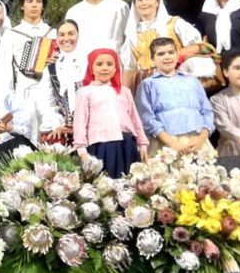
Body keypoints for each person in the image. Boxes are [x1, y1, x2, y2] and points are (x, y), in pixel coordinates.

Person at [120, 0, 215, 89]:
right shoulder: (132, 34)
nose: (144, 2)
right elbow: (130, 68)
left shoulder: (174, 24)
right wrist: (125, 95)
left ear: (157, 2)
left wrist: (173, 57)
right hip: (148, 87)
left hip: (178, 83)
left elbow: (201, 47)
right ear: (135, 4)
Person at [73, 49, 148, 177]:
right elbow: (80, 122)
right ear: (91, 68)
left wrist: (142, 144)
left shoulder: (124, 91)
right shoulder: (85, 92)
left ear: (115, 69)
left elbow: (135, 118)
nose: (105, 68)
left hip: (127, 144)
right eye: (99, 64)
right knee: (107, 184)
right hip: (101, 145)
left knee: (129, 184)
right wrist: (81, 150)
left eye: (109, 64)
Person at [0, 0, 56, 142]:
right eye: (29, 1)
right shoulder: (11, 35)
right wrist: (6, 105)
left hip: (49, 94)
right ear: (22, 5)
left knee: (50, 136)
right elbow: (3, 73)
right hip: (23, 93)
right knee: (26, 137)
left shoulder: (53, 33)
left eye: (38, 1)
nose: (34, 5)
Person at [136, 37, 216, 155]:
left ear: (177, 55)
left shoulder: (192, 81)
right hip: (165, 145)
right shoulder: (148, 84)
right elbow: (147, 118)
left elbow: (207, 111)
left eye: (171, 52)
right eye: (161, 54)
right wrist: (172, 143)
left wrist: (202, 138)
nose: (167, 57)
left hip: (197, 142)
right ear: (152, 59)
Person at [35, 20, 86, 144]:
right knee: (53, 140)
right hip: (61, 124)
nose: (66, 38)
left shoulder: (88, 63)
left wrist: (78, 127)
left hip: (87, 124)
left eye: (71, 34)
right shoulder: (51, 68)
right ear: (57, 39)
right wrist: (57, 124)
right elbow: (46, 102)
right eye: (62, 35)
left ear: (78, 36)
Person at [211, 50, 240, 155]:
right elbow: (225, 127)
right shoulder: (217, 99)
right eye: (237, 68)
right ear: (226, 72)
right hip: (230, 153)